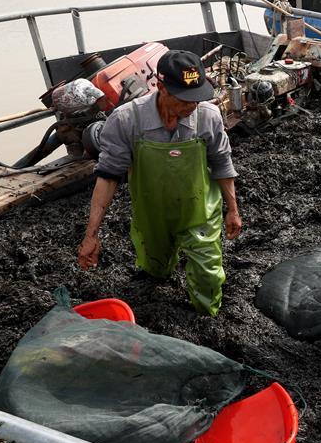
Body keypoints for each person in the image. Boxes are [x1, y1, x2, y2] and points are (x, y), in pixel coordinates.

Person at [77, 50, 242, 316]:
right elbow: (108, 176)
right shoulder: (127, 120)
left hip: (199, 211)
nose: (192, 106)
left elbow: (222, 164)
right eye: (184, 99)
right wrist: (91, 234)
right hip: (151, 213)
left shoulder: (208, 117)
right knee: (156, 267)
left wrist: (232, 209)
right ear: (161, 87)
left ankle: (207, 314)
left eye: (197, 97)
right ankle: (159, 269)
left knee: (209, 275)